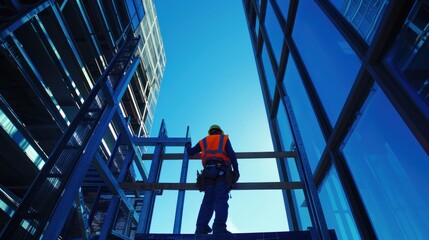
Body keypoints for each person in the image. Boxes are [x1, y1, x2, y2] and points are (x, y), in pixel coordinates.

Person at [186, 124, 240, 235]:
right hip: (221, 172)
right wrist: (236, 170)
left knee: (208, 201)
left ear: (210, 132)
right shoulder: (223, 138)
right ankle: (219, 228)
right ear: (220, 131)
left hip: (208, 174)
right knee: (220, 200)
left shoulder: (204, 141)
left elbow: (191, 152)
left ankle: (201, 228)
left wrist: (187, 146)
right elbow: (231, 154)